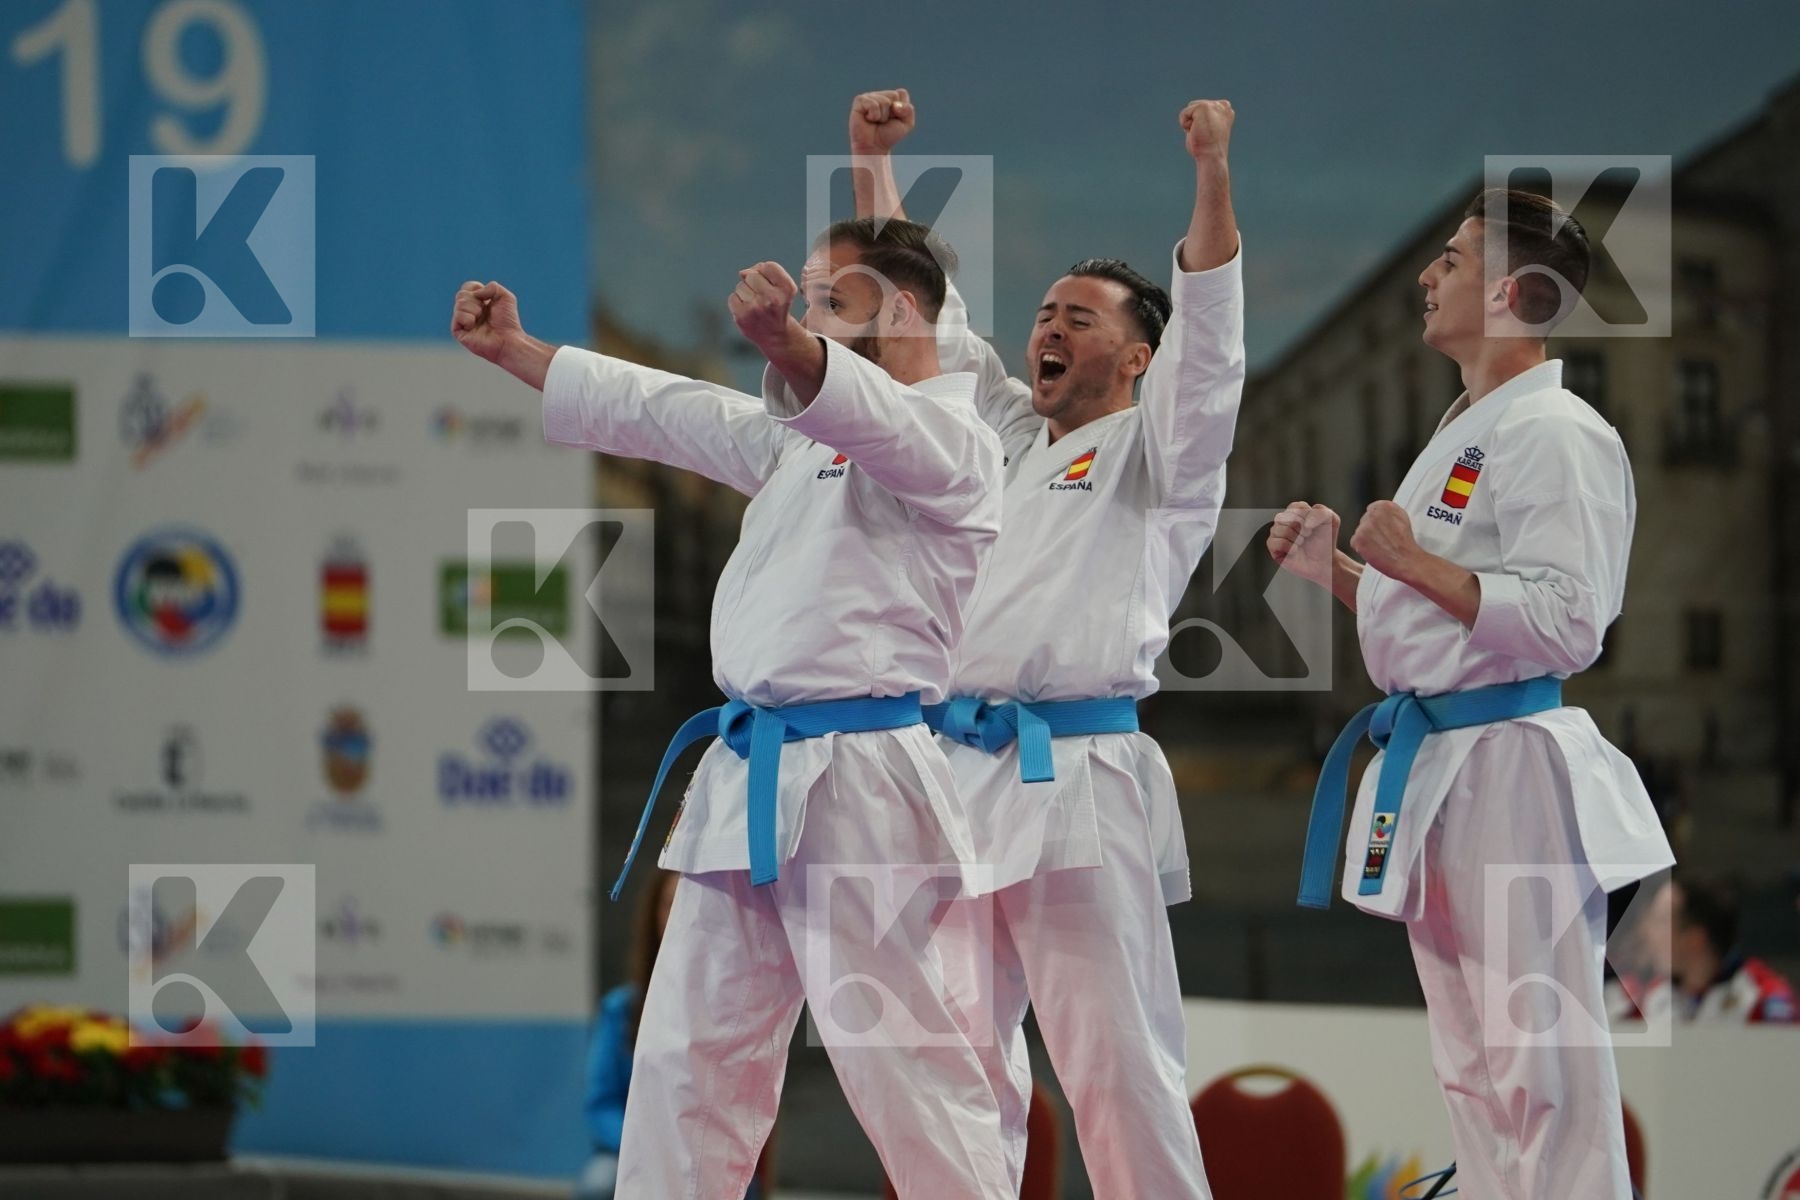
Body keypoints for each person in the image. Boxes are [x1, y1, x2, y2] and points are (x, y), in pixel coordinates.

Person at [451, 217, 1014, 1197]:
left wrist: (788, 345)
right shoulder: (805, 445)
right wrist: (519, 351)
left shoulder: (957, 442)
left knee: (906, 1068)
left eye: (830, 300)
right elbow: (673, 411)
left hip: (860, 782)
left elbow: (882, 424)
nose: (808, 313)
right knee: (686, 1061)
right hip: (748, 770)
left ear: (902, 311)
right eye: (807, 299)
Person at [845, 89, 1243, 1196]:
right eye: (1046, 314)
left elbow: (1212, 349)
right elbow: (927, 323)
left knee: (1118, 1067)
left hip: (1076, 779)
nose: (1050, 329)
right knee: (954, 1065)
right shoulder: (1008, 438)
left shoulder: (1163, 454)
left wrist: (1212, 172)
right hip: (957, 777)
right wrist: (872, 164)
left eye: (1081, 318)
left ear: (1142, 357)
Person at [1268, 188, 1676, 1199]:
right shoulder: (1467, 431)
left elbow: (1569, 621)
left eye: (1451, 258)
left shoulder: (1557, 430)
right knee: (1472, 1064)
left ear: (1507, 290)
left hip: (1512, 771)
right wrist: (1342, 574)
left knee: (1542, 1064)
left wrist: (1408, 560)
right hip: (1440, 763)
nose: (1428, 274)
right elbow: (1446, 622)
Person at [577, 871, 772, 1200]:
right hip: (632, 1150)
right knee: (599, 1183)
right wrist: (648, 1147)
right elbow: (602, 1103)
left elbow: (741, 1104)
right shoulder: (621, 1009)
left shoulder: (732, 1011)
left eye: (690, 905)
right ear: (654, 914)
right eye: (671, 904)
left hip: (704, 1154)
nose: (681, 916)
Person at [1672, 874, 1798, 1024]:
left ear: (1695, 939)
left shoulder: (1761, 996)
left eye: (1661, 923)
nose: (1648, 932)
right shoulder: (1653, 995)